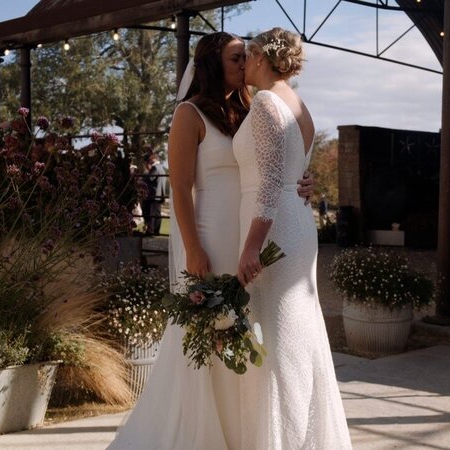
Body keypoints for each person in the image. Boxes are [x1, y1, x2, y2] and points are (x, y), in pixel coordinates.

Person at [108, 31, 314, 450]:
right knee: (213, 326)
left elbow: (274, 165)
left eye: (246, 56)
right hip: (210, 234)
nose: (245, 63)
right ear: (212, 63)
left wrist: (301, 181)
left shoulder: (254, 107)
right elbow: (180, 189)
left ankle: (244, 433)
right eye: (236, 57)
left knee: (246, 329)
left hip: (248, 231)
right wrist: (192, 246)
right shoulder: (190, 113)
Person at [233, 27, 351, 448]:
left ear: (261, 58)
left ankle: (283, 439)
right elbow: (293, 170)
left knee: (278, 338)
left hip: (274, 228)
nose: (244, 64)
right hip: (297, 223)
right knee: (296, 335)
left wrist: (251, 246)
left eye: (247, 55)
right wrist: (302, 184)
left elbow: (269, 182)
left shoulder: (266, 103)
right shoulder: (298, 104)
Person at [142, 152, 166, 235]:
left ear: (153, 159)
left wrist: (145, 173)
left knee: (152, 214)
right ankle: (156, 230)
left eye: (150, 160)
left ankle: (151, 230)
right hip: (160, 194)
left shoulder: (155, 168)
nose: (149, 161)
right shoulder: (162, 168)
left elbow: (150, 178)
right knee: (157, 214)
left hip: (153, 195)